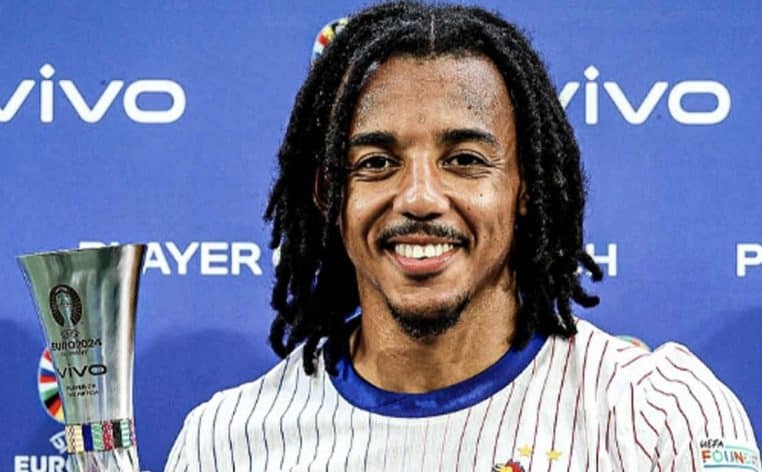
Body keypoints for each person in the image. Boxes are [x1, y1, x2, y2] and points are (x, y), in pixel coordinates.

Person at [165, 2, 759, 471]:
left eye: (465, 160)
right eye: (377, 163)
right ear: (329, 195)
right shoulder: (226, 444)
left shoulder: (657, 416)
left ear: (526, 187)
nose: (420, 197)